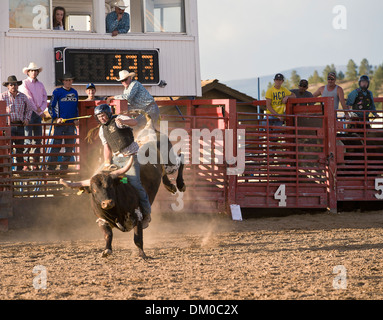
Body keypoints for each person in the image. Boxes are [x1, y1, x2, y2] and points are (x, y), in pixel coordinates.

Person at [95, 103, 151, 228]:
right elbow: (107, 147)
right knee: (96, 179)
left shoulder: (118, 119)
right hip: (116, 159)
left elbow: (134, 123)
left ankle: (147, 214)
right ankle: (102, 216)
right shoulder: (101, 130)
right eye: (99, 117)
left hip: (130, 157)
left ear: (108, 113)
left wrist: (123, 120)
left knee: (135, 183)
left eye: (103, 115)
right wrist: (107, 163)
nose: (102, 118)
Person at [0, 75, 33, 171]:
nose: (13, 86)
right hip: (7, 126)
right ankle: (9, 169)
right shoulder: (3, 96)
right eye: (11, 85)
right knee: (8, 149)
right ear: (8, 86)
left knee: (19, 148)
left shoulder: (23, 96)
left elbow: (29, 109)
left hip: (20, 124)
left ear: (17, 85)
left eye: (15, 84)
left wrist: (27, 119)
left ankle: (19, 169)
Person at [47, 72, 79, 171]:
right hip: (60, 124)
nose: (68, 82)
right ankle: (51, 167)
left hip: (70, 124)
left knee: (69, 147)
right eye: (66, 80)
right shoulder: (57, 92)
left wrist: (76, 118)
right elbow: (51, 107)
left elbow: (76, 107)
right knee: (57, 145)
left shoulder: (75, 92)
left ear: (72, 81)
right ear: (63, 81)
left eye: (70, 80)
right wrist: (56, 118)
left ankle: (64, 168)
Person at [19, 62, 48, 169]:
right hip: (29, 113)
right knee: (27, 138)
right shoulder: (24, 83)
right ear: (28, 72)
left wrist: (41, 109)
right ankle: (26, 162)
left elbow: (45, 97)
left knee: (37, 139)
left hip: (37, 113)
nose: (34, 72)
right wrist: (40, 110)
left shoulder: (40, 85)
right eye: (32, 71)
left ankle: (35, 162)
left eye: (35, 71)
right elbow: (28, 98)